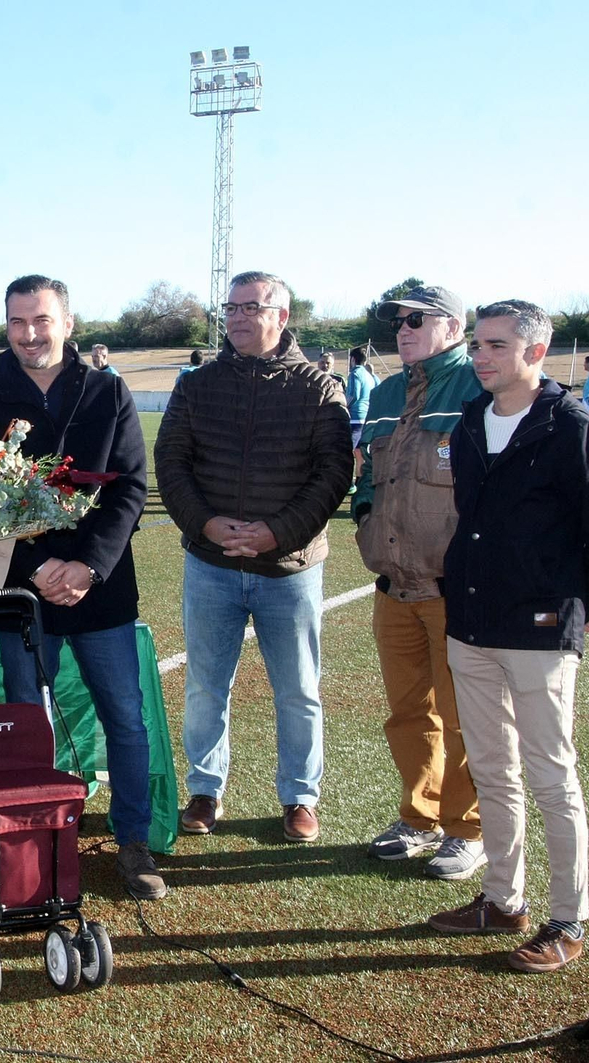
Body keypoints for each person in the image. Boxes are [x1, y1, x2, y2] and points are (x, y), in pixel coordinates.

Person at [428, 300, 589, 973]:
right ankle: (502, 898)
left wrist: (576, 604)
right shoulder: (469, 421)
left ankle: (568, 919)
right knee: (491, 767)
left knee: (552, 774)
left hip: (541, 631)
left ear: (535, 351)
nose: (482, 356)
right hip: (471, 623)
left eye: (495, 344)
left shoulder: (573, 428)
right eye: (479, 344)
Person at [0, 275, 161, 900]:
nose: (29, 334)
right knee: (28, 722)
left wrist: (86, 567)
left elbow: (129, 487)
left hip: (99, 590)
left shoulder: (108, 391)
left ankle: (134, 842)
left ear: (68, 324)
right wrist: (37, 568)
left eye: (41, 320)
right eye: (17, 323)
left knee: (125, 720)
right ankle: (32, 843)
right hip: (23, 592)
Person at [155, 271, 351, 843]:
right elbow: (172, 464)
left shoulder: (318, 387)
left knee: (297, 689)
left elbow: (333, 473)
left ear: (282, 316)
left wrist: (276, 533)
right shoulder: (197, 385)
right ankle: (205, 788)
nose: (238, 317)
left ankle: (299, 796)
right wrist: (208, 524)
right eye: (231, 307)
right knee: (205, 686)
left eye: (252, 307)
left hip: (288, 570)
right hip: (211, 564)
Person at [354, 285, 485, 879]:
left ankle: (468, 829)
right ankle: (419, 816)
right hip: (394, 586)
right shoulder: (383, 392)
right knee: (408, 712)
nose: (401, 329)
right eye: (394, 321)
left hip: (455, 588)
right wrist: (364, 520)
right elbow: (366, 479)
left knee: (465, 716)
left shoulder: (477, 387)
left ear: (453, 326)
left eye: (414, 319)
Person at [345, 346, 378, 488]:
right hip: (366, 416)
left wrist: (343, 407)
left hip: (355, 417)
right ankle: (360, 481)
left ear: (352, 359)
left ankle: (349, 483)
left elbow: (354, 395)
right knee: (359, 452)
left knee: (346, 452)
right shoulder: (369, 375)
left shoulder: (355, 373)